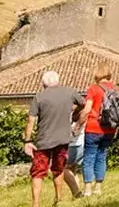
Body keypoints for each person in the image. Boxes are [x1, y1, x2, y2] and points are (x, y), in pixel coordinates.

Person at [23, 69, 90, 205]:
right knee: (58, 169)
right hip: (63, 139)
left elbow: (31, 120)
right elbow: (84, 103)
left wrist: (28, 140)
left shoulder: (39, 97)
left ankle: (35, 203)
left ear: (43, 84)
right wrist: (74, 112)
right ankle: (58, 199)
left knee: (38, 172)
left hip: (43, 141)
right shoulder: (70, 92)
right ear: (58, 81)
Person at [82, 62, 119, 196]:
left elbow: (87, 109)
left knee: (89, 157)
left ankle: (87, 188)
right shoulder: (116, 89)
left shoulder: (93, 89)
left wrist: (78, 124)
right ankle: (98, 188)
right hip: (109, 129)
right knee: (102, 157)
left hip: (93, 128)